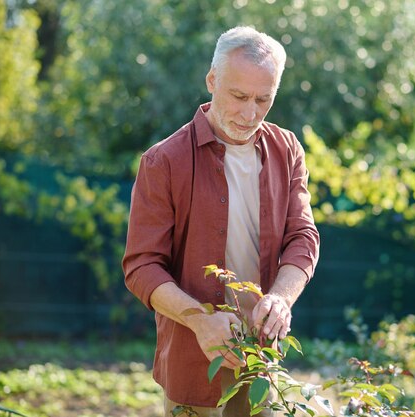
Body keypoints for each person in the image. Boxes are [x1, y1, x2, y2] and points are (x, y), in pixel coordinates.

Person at [122, 26, 320, 417]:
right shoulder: (163, 161)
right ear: (212, 80)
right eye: (239, 96)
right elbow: (141, 266)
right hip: (192, 359)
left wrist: (281, 298)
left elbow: (303, 236)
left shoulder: (288, 150)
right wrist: (200, 320)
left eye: (264, 99)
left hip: (260, 358)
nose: (250, 113)